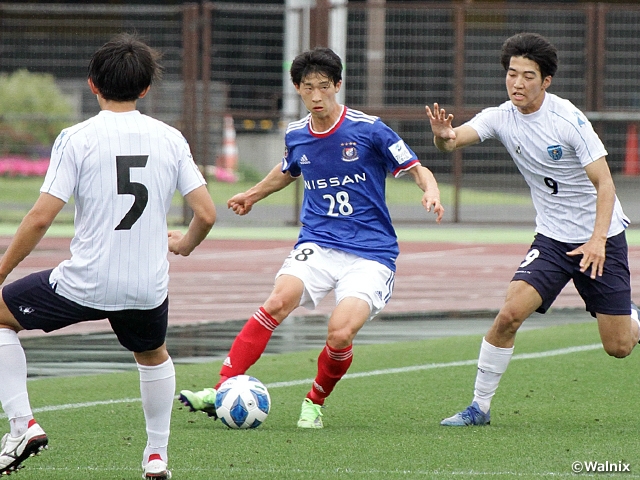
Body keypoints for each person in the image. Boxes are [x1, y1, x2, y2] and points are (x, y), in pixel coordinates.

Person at [179, 46, 444, 428]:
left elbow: (417, 168)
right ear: (297, 89)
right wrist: (252, 195)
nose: (317, 96)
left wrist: (430, 190)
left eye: (324, 86)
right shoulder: (297, 134)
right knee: (276, 302)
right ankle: (220, 389)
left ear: (338, 85)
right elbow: (289, 169)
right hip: (318, 243)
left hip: (370, 253)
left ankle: (314, 401)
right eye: (308, 88)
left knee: (339, 333)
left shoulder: (369, 129)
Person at [0, 33, 216, 478]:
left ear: (92, 84)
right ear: (145, 89)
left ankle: (22, 425)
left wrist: (1, 269)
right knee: (153, 354)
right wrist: (185, 244)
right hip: (145, 285)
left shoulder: (77, 137)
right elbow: (207, 214)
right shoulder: (170, 138)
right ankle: (157, 458)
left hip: (86, 280)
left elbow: (41, 218)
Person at [426, 32, 640, 427]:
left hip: (601, 238)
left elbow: (606, 184)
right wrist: (443, 139)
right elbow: (454, 142)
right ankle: (479, 408)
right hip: (553, 240)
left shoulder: (567, 120)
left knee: (620, 347)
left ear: (546, 81)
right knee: (509, 314)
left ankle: (633, 316)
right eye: (511, 74)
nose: (517, 83)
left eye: (528, 76)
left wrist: (596, 241)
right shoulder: (500, 116)